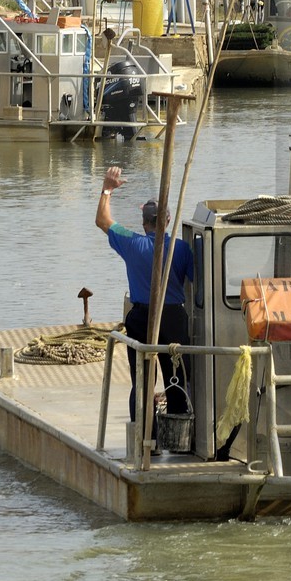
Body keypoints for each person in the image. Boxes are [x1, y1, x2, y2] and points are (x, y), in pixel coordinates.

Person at [97, 165, 194, 420]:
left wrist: (107, 190)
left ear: (144, 223)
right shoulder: (181, 249)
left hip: (141, 318)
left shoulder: (131, 242)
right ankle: (179, 436)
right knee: (176, 380)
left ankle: (143, 440)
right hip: (173, 318)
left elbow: (103, 221)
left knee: (142, 380)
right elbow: (197, 284)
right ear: (168, 220)